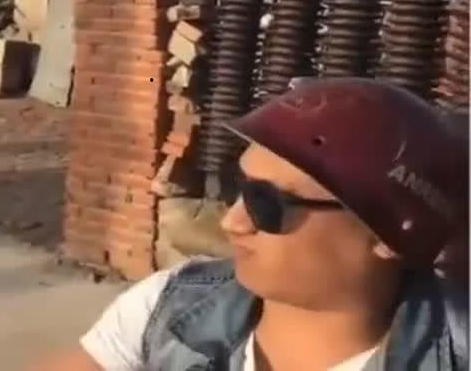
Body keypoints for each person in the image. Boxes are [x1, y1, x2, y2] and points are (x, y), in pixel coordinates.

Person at [39, 78, 469, 371]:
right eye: (239, 187)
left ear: (389, 233)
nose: (232, 222)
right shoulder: (172, 308)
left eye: (267, 204)